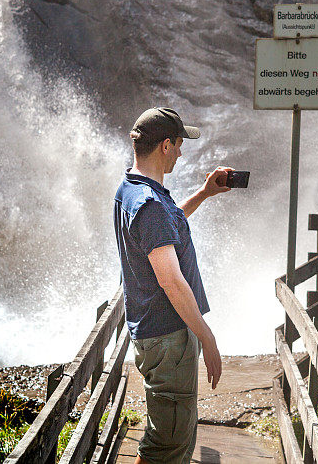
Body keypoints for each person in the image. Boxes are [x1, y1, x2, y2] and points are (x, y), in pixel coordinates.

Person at [113, 107, 233, 464]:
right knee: (168, 443)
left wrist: (204, 193)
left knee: (170, 438)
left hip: (161, 335)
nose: (181, 152)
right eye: (179, 144)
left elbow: (163, 230)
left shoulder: (132, 189)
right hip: (168, 337)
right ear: (166, 145)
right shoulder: (148, 204)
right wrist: (207, 338)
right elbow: (171, 281)